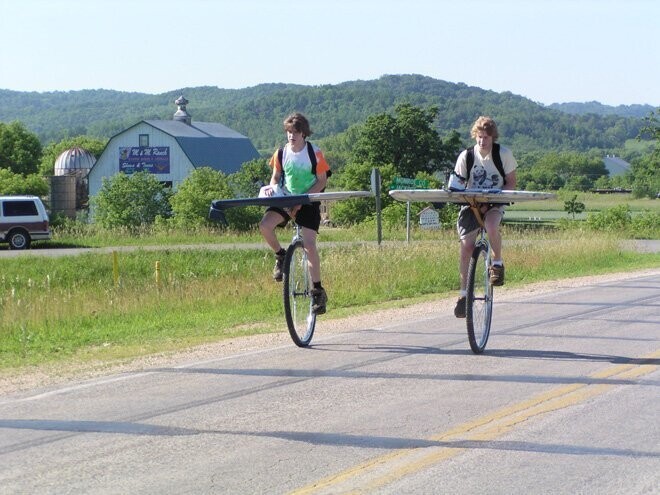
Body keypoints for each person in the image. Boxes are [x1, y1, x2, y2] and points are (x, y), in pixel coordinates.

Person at [259, 112, 330, 315]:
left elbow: (322, 180)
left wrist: (303, 200)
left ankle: (317, 291)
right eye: (289, 132)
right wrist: (273, 192)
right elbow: (276, 176)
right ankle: (281, 256)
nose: (291, 136)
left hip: (309, 199)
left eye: (295, 132)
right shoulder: (280, 153)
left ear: (303, 133)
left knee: (308, 245)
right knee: (265, 226)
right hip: (286, 198)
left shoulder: (314, 153)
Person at [453, 116, 517, 318]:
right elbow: (457, 183)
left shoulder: (503, 154)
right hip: (471, 203)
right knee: (466, 247)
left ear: (493, 138)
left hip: (494, 202)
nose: (482, 142)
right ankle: (463, 294)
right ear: (475, 136)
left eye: (486, 138)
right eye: (480, 137)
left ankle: (497, 263)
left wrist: (493, 200)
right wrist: (471, 199)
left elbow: (511, 183)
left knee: (491, 227)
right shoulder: (467, 156)